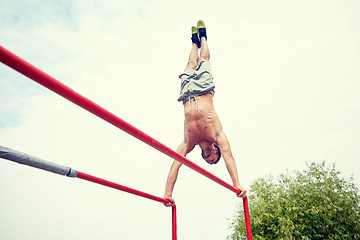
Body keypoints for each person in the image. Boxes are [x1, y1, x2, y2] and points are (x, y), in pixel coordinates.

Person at [164, 20, 247, 207]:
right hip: (203, 88)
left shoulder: (188, 142)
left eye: (208, 161)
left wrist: (168, 193)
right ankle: (203, 37)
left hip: (186, 94)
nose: (208, 160)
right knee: (203, 61)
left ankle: (194, 41)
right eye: (212, 159)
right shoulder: (217, 135)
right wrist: (236, 184)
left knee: (190, 63)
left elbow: (176, 164)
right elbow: (229, 158)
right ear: (215, 150)